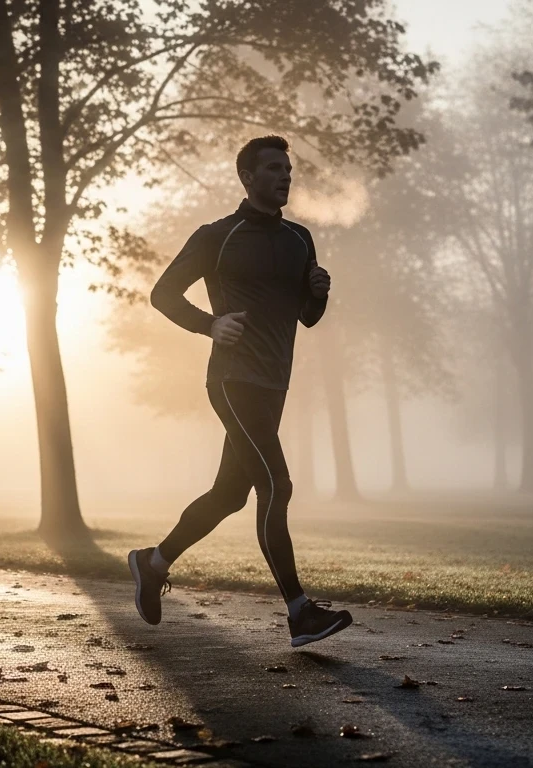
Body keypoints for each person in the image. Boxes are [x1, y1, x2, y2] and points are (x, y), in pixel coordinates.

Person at [127, 135, 353, 648]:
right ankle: (299, 613)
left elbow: (307, 317)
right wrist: (210, 325)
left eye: (288, 169)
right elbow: (162, 293)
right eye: (273, 168)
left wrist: (318, 294)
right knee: (277, 486)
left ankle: (152, 561)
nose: (285, 176)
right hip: (231, 380)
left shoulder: (299, 239)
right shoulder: (217, 236)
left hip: (274, 385)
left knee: (231, 493)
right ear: (247, 178)